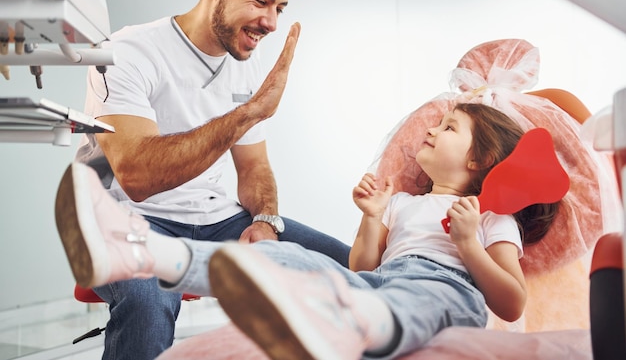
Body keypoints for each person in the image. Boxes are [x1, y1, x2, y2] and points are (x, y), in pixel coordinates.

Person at [56, 103, 560, 359]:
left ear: (479, 159)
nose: (431, 129)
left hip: (444, 288)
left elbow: (510, 302)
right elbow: (363, 267)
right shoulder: (403, 202)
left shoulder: (492, 217)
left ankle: (360, 327)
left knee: (408, 301)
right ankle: (151, 255)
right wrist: (372, 215)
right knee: (285, 257)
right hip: (381, 282)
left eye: (449, 127)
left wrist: (470, 244)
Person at [71, 0, 350, 358]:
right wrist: (249, 112)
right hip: (127, 220)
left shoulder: (246, 61)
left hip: (215, 221)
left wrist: (266, 220)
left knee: (351, 270)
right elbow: (137, 178)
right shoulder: (126, 53)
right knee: (148, 301)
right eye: (261, 1)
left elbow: (254, 166)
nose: (271, 22)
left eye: (280, 8)